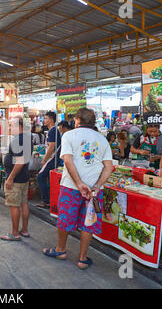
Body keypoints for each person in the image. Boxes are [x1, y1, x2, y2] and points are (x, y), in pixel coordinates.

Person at [42, 108, 113, 270]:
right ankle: (82, 258)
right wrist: (96, 186)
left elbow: (67, 160)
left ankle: (60, 250)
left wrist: (79, 183)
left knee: (65, 219)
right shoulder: (102, 140)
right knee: (88, 223)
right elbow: (108, 167)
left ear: (78, 120)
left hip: (71, 187)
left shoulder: (68, 135)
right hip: (94, 192)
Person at [0, 117, 32, 241]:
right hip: (24, 177)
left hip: (16, 179)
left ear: (19, 126)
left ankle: (14, 233)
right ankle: (24, 229)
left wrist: (10, 178)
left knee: (14, 205)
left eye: (10, 125)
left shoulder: (19, 139)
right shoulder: (26, 137)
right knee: (24, 203)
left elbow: (20, 161)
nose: (9, 128)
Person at [36, 111, 61, 209]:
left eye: (45, 118)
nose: (44, 120)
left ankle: (46, 201)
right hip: (54, 158)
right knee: (47, 178)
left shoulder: (52, 131)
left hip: (52, 158)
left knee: (40, 177)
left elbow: (51, 147)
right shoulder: (53, 130)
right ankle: (48, 199)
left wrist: (44, 160)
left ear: (51, 119)